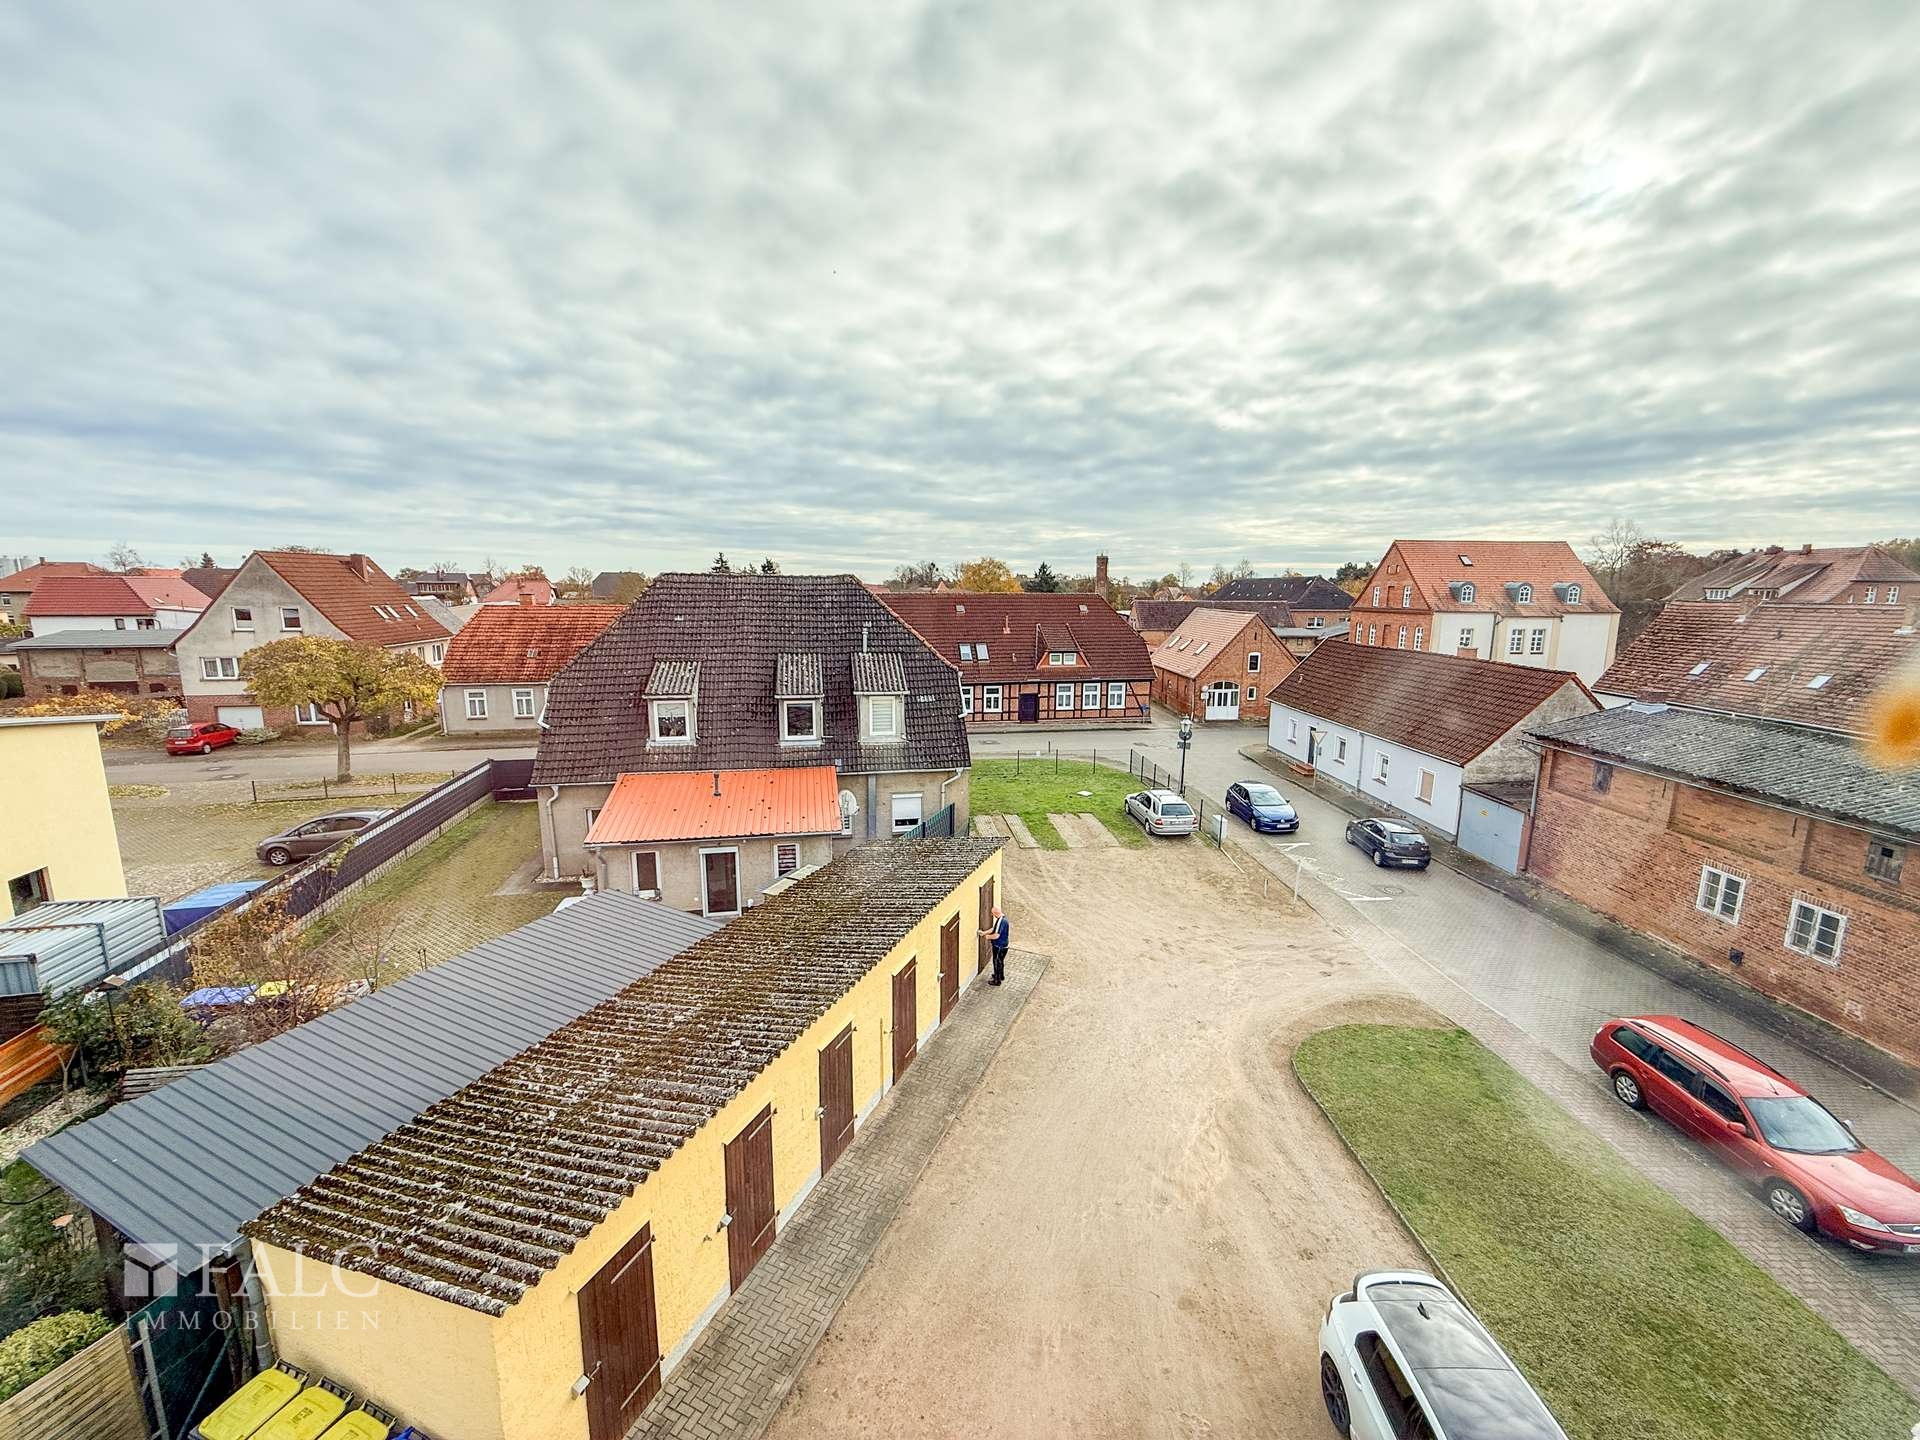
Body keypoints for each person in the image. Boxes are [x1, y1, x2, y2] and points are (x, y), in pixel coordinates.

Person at [979, 905, 1010, 985]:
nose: (992, 915)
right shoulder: (1003, 919)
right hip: (1004, 945)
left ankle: (997, 980)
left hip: (999, 946)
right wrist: (984, 932)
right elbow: (994, 929)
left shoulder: (1000, 921)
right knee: (1000, 961)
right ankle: (1000, 975)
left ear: (996, 913)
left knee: (996, 962)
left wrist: (987, 937)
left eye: (992, 914)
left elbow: (996, 935)